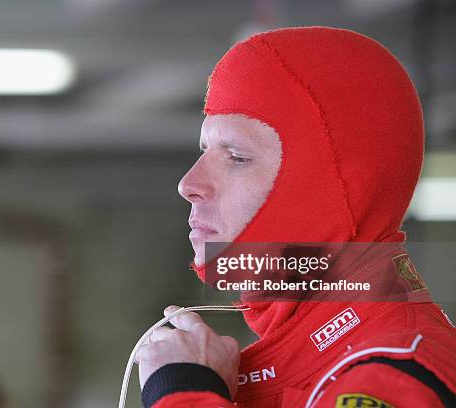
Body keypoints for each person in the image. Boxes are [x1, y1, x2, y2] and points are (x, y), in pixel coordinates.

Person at [135, 26, 456, 407]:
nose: (188, 183)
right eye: (204, 150)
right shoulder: (305, 364)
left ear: (333, 191)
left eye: (237, 157)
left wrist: (182, 394)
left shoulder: (399, 374)